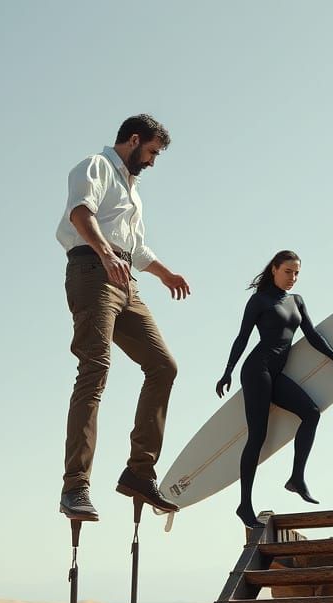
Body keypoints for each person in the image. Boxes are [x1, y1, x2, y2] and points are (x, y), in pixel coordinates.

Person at [56, 114, 191, 522]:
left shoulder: (132, 191)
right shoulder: (95, 166)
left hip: (125, 280)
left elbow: (136, 247)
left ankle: (138, 473)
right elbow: (81, 213)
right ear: (133, 140)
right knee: (95, 369)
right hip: (92, 273)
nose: (152, 161)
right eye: (151, 152)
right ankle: (75, 487)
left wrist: (165, 272)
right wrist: (105, 253)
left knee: (163, 366)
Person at [216, 250, 333, 530]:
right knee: (258, 436)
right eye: (288, 272)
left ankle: (296, 478)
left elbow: (312, 335)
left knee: (312, 413)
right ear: (274, 270)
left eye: (296, 273)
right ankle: (244, 505)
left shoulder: (297, 301)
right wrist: (228, 371)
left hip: (276, 372)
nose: (293, 278)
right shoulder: (259, 300)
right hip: (257, 370)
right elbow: (242, 337)